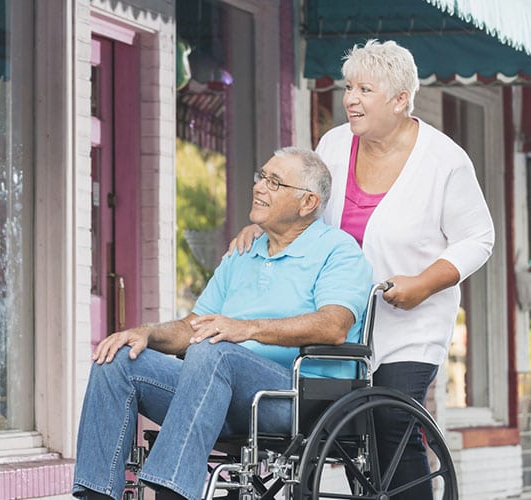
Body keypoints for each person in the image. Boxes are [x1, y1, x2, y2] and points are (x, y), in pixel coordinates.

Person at [230, 39, 494, 499]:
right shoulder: (333, 144)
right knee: (348, 432)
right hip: (336, 318)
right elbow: (303, 206)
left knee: (390, 421)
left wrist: (424, 282)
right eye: (349, 86)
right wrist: (265, 227)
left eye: (365, 89)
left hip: (407, 323)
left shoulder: (444, 160)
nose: (350, 98)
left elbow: (479, 239)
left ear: (399, 100)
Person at [72, 147, 373, 500]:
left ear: (307, 203)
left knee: (216, 351)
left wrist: (246, 329)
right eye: (262, 176)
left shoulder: (339, 251)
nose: (259, 186)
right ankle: (96, 495)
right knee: (118, 359)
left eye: (275, 182)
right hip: (214, 392)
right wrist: (147, 333)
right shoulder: (243, 254)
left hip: (296, 397)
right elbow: (195, 327)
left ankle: (172, 493)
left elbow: (334, 326)